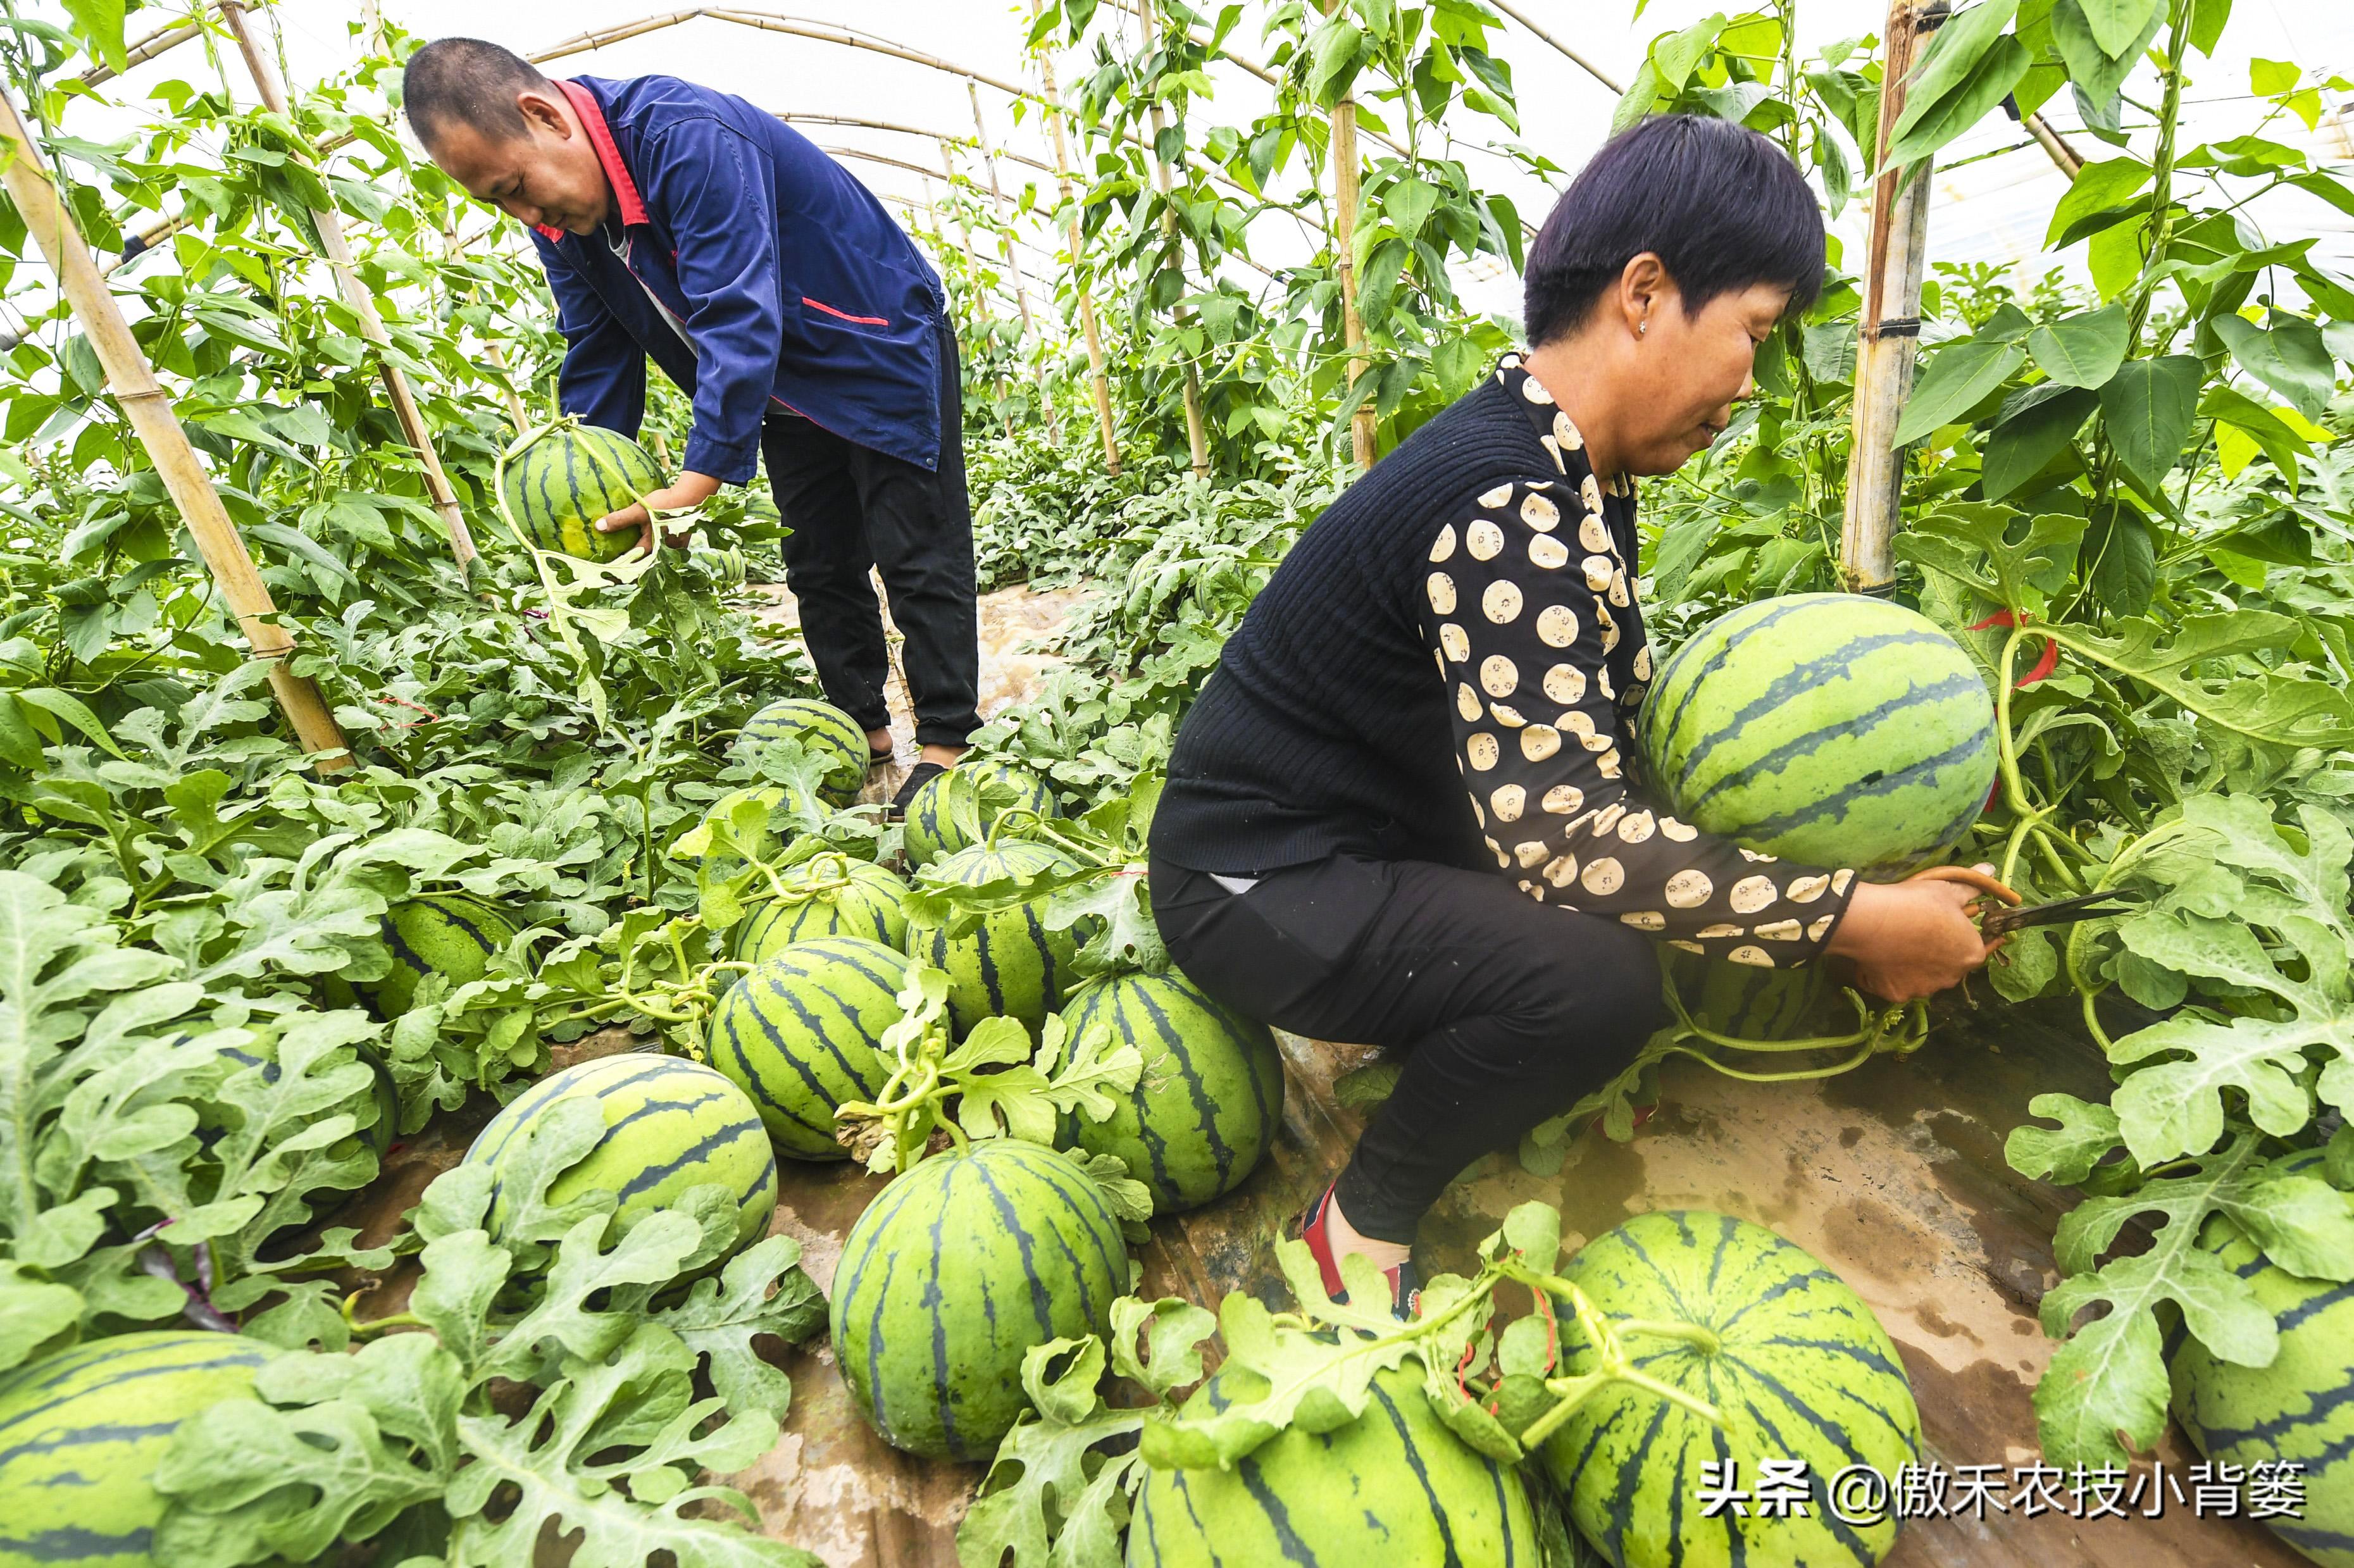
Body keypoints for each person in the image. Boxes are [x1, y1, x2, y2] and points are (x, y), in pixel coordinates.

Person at [1147, 115, 1996, 1317]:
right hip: (1255, 885)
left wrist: (1844, 870)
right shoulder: (1503, 494)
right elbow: (1567, 835)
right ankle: (1360, 1224)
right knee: (1597, 981)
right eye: (1753, 331)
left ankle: (1440, 1024)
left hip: (1366, 842)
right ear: (1645, 293)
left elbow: (1589, 742)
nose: (1750, 382)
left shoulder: (1567, 467)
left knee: (1616, 913)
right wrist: (1857, 921)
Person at [400, 39, 980, 809]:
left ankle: (945, 739)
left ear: (544, 115)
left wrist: (695, 480)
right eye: (498, 204)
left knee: (916, 546)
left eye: (516, 187)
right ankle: (862, 730)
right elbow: (600, 348)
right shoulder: (560, 225)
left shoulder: (684, 133)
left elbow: (737, 308)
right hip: (779, 383)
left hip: (871, 338)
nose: (524, 215)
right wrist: (582, 480)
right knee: (818, 561)